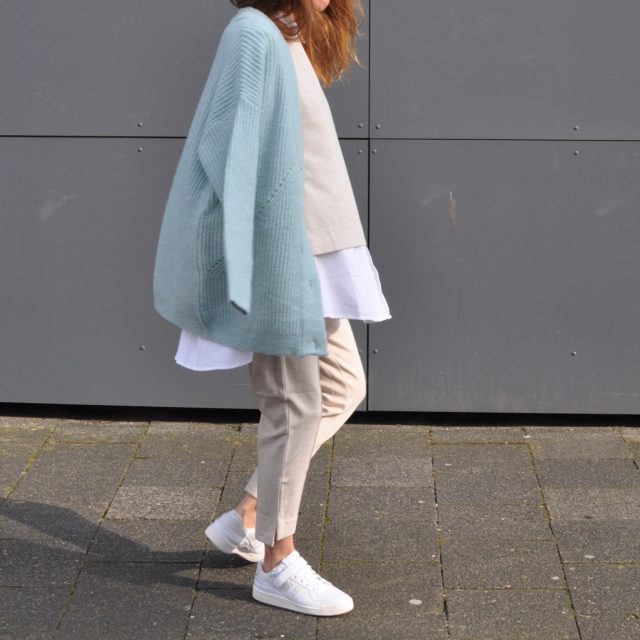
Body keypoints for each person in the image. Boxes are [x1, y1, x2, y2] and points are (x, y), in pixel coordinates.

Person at [152, 0, 390, 617]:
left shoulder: (287, 38)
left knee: (341, 387)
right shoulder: (253, 34)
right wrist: (258, 268)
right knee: (293, 401)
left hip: (317, 250)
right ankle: (276, 564)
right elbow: (231, 158)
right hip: (280, 254)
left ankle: (250, 515)